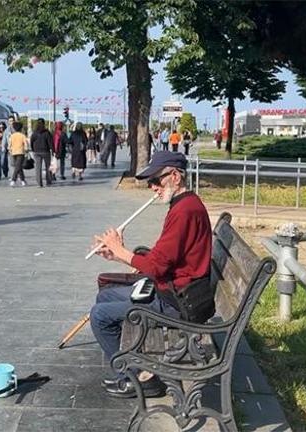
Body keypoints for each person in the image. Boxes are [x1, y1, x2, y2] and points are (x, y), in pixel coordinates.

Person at [90, 151, 213, 398]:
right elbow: (161, 258)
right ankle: (133, 370)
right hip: (173, 290)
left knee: (100, 316)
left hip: (178, 302)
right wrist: (117, 254)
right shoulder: (183, 205)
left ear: (175, 176)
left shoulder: (185, 211)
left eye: (157, 181)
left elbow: (157, 267)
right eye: (150, 184)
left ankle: (134, 379)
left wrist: (121, 250)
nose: (153, 188)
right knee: (104, 298)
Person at [30, 118, 53, 187]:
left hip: (36, 151)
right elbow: (50, 142)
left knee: (38, 167)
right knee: (48, 167)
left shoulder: (34, 133)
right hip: (46, 151)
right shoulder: (47, 132)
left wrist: (33, 149)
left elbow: (31, 142)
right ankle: (48, 181)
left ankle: (39, 183)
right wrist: (52, 150)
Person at [8, 121, 27, 187]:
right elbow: (26, 145)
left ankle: (23, 180)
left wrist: (10, 150)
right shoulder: (22, 136)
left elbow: (9, 145)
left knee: (18, 166)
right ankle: (14, 180)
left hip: (13, 152)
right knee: (18, 167)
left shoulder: (12, 136)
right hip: (21, 152)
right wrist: (26, 151)